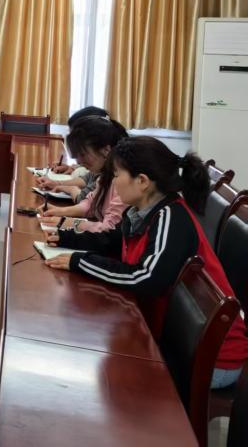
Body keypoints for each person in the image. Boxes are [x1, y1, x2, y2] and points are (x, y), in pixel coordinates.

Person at [44, 136, 248, 388]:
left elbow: (145, 278)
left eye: (116, 175)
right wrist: (67, 237)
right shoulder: (142, 211)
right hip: (175, 339)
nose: (113, 182)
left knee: (103, 375)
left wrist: (81, 262)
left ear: (142, 181)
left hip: (212, 359)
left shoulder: (170, 217)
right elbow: (112, 241)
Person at [39, 116, 127, 233]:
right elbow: (90, 204)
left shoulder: (123, 182)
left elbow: (110, 229)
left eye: (83, 154)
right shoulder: (105, 175)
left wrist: (68, 222)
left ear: (106, 150)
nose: (79, 162)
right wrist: (59, 211)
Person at [39, 106, 111, 200]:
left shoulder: (112, 171)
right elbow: (88, 178)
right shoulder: (101, 162)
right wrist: (57, 183)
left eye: (82, 154)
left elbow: (84, 197)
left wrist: (67, 188)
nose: (78, 160)